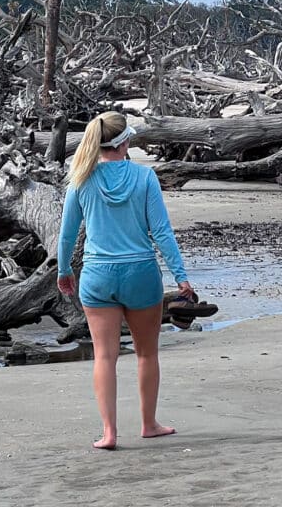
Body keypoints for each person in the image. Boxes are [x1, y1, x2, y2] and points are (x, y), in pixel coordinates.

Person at [57, 111, 194, 450]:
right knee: (146, 354)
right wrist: (182, 278)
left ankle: (109, 433)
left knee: (105, 356)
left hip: (97, 275)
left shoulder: (80, 179)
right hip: (141, 275)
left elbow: (67, 235)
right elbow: (161, 232)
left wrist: (63, 271)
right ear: (124, 142)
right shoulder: (144, 178)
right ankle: (148, 424)